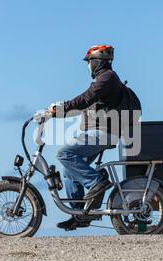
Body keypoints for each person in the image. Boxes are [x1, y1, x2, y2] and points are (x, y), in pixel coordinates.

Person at [47, 45, 126, 230]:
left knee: (64, 153)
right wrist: (54, 113)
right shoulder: (104, 79)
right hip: (97, 132)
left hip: (104, 133)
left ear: (97, 62)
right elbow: (83, 106)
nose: (88, 65)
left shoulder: (107, 78)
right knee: (69, 171)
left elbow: (85, 99)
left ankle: (96, 182)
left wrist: (62, 106)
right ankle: (79, 214)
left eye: (89, 62)